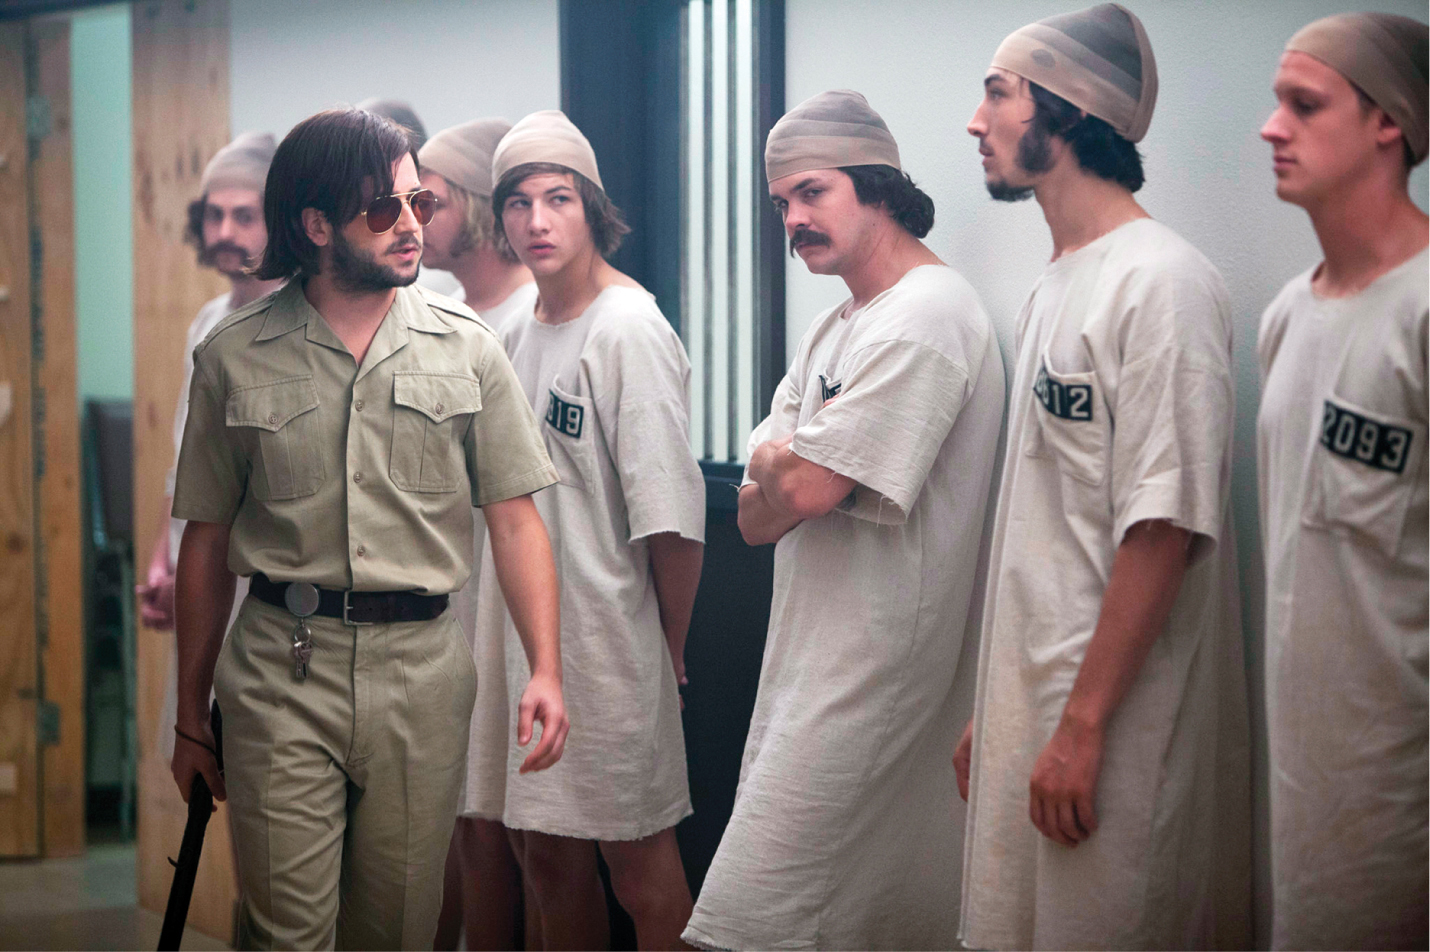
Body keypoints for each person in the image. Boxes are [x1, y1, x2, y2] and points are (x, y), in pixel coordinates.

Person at [168, 107, 569, 950]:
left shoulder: (468, 349)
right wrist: (188, 714)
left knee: (393, 933)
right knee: (288, 936)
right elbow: (206, 540)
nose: (412, 226)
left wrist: (547, 670)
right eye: (385, 210)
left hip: (420, 676)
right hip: (281, 669)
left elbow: (516, 519)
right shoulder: (234, 353)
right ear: (316, 225)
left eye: (418, 203)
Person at [956, 6, 1251, 948]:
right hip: (1034, 714)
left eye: (998, 93)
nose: (977, 121)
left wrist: (1082, 728)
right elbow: (1046, 521)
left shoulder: (1165, 282)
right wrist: (995, 709)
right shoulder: (1055, 281)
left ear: (1070, 111)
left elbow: (1163, 526)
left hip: (1114, 732)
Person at [683, 90, 1005, 951]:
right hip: (810, 663)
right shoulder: (839, 324)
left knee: (748, 922)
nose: (792, 218)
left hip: (876, 672)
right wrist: (785, 468)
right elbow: (756, 518)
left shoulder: (929, 315)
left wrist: (787, 465)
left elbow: (804, 492)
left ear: (879, 185)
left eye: (812, 192)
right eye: (781, 202)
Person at [466, 110, 705, 950]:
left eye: (558, 198)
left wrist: (667, 645)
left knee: (640, 870)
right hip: (526, 640)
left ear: (592, 209)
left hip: (610, 639)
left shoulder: (628, 330)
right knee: (542, 855)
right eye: (519, 202)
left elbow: (673, 522)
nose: (537, 221)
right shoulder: (513, 331)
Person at [1257, 14, 1428, 950]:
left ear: (1387, 123)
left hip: (1405, 800)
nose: (1271, 128)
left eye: (1303, 104)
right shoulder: (1289, 315)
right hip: (1305, 788)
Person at [416, 116, 543, 952]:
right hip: (455, 603)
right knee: (466, 824)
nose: (411, 217)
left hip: (517, 608)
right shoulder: (447, 315)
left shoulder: (534, 317)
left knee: (524, 838)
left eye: (426, 200)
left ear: (470, 203)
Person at [138, 132, 284, 766]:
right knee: (206, 759)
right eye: (213, 214)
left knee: (267, 766)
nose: (225, 230)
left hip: (268, 589)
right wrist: (163, 561)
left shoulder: (303, 322)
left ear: (277, 219)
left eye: (244, 215)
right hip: (200, 573)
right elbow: (185, 462)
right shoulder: (205, 321)